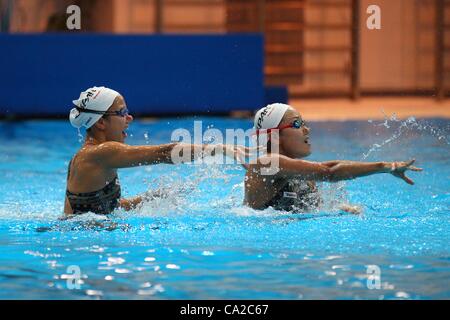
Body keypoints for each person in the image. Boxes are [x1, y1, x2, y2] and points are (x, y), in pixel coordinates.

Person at [64, 86, 246, 217]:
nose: (129, 117)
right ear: (101, 123)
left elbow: (97, 210)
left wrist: (151, 198)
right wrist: (219, 149)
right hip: (89, 243)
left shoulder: (84, 158)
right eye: (121, 112)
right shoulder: (102, 152)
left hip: (82, 238)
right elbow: (165, 153)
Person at [244, 103, 423, 213]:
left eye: (304, 123)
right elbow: (329, 171)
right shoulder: (264, 164)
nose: (307, 129)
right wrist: (385, 166)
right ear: (273, 136)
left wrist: (342, 210)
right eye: (297, 124)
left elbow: (314, 210)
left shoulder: (303, 176)